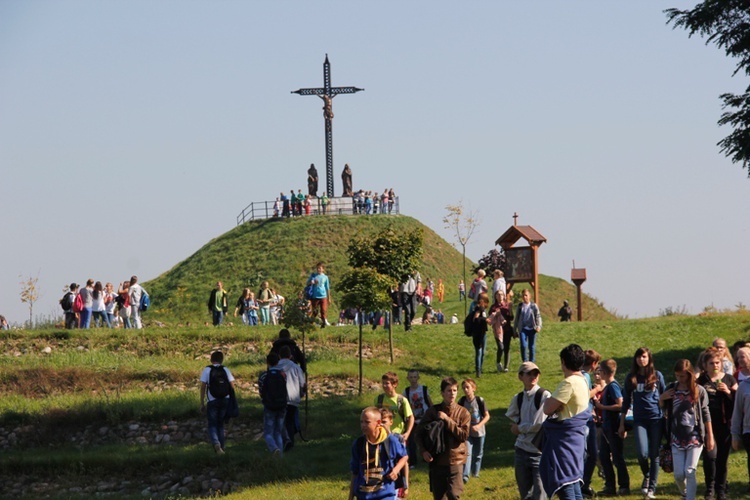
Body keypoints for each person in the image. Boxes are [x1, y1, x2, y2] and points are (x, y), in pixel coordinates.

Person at [540, 344, 590, 500]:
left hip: (564, 441)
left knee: (565, 482)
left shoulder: (569, 383)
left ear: (563, 362)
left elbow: (547, 409)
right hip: (576, 439)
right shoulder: (583, 380)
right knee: (573, 482)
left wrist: (549, 401)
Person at [660, 359, 714, 500]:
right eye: (677, 375)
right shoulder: (671, 389)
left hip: (695, 436)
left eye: (683, 376)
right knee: (678, 474)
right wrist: (661, 399)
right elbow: (662, 409)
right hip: (676, 437)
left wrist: (710, 436)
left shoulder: (699, 390)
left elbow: (705, 413)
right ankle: (685, 493)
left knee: (690, 471)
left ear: (690, 374)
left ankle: (690, 497)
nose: (680, 379)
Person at [619, 347, 666, 499]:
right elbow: (625, 402)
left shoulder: (657, 376)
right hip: (639, 420)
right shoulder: (631, 377)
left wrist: (667, 416)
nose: (641, 359)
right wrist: (621, 424)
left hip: (656, 419)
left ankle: (651, 487)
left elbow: (665, 396)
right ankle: (647, 474)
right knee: (642, 453)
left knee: (654, 454)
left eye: (644, 356)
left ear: (649, 358)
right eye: (639, 357)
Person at [417, 376, 471, 500]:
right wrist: (423, 451)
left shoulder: (463, 412)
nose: (452, 394)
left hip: (456, 460)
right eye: (448, 390)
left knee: (453, 494)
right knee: (439, 497)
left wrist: (447, 420)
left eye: (454, 390)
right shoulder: (432, 411)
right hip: (437, 461)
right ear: (442, 393)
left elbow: (463, 435)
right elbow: (419, 433)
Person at [506, 361, 550, 500]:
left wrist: (520, 428)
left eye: (535, 373)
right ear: (520, 377)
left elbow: (538, 424)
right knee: (525, 495)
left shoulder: (544, 395)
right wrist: (516, 426)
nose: (533, 376)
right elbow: (511, 417)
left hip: (539, 452)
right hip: (521, 451)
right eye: (529, 373)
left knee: (540, 496)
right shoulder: (518, 397)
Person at [698, 347, 736, 500]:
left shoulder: (728, 378)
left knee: (722, 459)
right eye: (712, 363)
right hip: (707, 425)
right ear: (705, 365)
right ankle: (710, 489)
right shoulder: (701, 380)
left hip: (724, 424)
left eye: (718, 363)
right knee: (709, 457)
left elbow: (736, 403)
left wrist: (727, 391)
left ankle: (721, 490)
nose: (715, 366)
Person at [348, 406, 408, 500]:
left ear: (378, 423)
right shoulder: (359, 444)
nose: (363, 425)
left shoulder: (390, 441)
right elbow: (355, 472)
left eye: (367, 422)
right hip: (364, 495)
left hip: (385, 494)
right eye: (361, 422)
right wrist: (350, 496)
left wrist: (396, 470)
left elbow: (404, 456)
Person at [594, 359, 630, 497]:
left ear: (604, 372)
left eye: (600, 371)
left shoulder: (613, 386)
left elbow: (621, 404)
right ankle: (610, 486)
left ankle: (624, 486)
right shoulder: (608, 387)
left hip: (613, 427)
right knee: (603, 456)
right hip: (606, 427)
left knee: (617, 457)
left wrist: (602, 407)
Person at [199, 350, 235, 455]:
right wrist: (232, 401)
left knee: (212, 425)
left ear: (211, 359)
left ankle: (216, 444)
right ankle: (222, 449)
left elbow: (203, 386)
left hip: (212, 400)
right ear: (222, 360)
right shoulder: (225, 369)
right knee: (220, 425)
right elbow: (232, 385)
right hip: (225, 400)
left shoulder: (207, 369)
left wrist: (202, 402)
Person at [458, 378, 490, 484]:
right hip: (467, 433)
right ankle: (465, 476)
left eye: (468, 387)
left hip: (480, 433)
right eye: (464, 388)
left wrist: (479, 425)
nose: (466, 390)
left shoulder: (479, 401)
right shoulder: (462, 401)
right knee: (467, 453)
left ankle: (475, 473)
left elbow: (487, 416)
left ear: (473, 388)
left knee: (478, 454)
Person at [278, 345, 306, 451]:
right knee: (289, 421)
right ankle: (290, 443)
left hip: (280, 399)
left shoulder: (276, 367)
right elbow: (303, 384)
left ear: (279, 356)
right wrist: (302, 393)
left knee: (281, 421)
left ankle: (283, 442)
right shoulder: (296, 367)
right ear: (290, 356)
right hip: (293, 399)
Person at [259, 352, 288, 455]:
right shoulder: (283, 375)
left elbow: (261, 391)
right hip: (281, 406)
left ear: (267, 362)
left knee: (268, 433)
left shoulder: (263, 375)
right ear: (278, 361)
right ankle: (280, 457)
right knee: (278, 432)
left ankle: (274, 448)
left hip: (269, 406)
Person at [403, 370, 432, 468]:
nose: (413, 379)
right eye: (411, 377)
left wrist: (433, 414)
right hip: (413, 419)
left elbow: (429, 402)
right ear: (408, 378)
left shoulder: (423, 389)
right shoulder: (406, 391)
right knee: (412, 440)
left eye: (415, 377)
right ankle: (413, 462)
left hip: (425, 418)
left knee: (427, 439)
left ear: (418, 378)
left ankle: (427, 458)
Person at [376, 372, 414, 445]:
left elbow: (411, 417)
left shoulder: (402, 400)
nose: (384, 385)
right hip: (382, 434)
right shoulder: (379, 399)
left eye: (387, 383)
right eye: (383, 383)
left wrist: (407, 433)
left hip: (398, 435)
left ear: (395, 384)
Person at [380, 408, 410, 499]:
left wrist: (406, 485)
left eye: (384, 422)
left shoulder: (397, 439)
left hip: (395, 481)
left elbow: (405, 462)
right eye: (379, 422)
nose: (381, 425)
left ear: (391, 422)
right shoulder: (374, 441)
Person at [732, 346, 750, 488]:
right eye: (738, 357)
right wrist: (735, 435)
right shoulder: (743, 386)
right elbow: (737, 412)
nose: (739, 360)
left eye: (742, 356)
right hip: (748, 430)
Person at [514, 289, 542, 363]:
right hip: (523, 329)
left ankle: (531, 362)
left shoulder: (533, 306)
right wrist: (514, 330)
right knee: (523, 345)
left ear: (530, 296)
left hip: (532, 328)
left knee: (531, 346)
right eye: (523, 295)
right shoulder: (520, 307)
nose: (524, 297)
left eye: (526, 295)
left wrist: (538, 326)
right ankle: (525, 361)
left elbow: (538, 316)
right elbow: (516, 318)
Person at [469, 292, 489, 378]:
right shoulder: (478, 309)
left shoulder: (483, 309)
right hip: (478, 333)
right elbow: (475, 319)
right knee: (479, 351)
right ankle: (478, 370)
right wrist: (485, 320)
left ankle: (480, 368)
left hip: (483, 332)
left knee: (483, 352)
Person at [488, 291, 509, 373]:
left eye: (501, 294)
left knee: (506, 348)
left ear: (504, 296)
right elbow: (489, 317)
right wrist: (495, 314)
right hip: (498, 330)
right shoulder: (493, 307)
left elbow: (510, 317)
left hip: (506, 329)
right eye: (498, 294)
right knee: (501, 347)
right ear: (495, 296)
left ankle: (506, 366)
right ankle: (498, 362)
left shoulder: (506, 306)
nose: (500, 296)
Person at [307, 262, 330, 328]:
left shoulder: (325, 277)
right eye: (317, 268)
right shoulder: (314, 276)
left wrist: (329, 297)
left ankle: (323, 323)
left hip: (323, 296)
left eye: (320, 268)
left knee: (323, 310)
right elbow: (307, 283)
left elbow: (327, 288)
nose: (318, 269)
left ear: (323, 269)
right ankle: (311, 323)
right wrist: (311, 282)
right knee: (315, 311)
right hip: (315, 296)